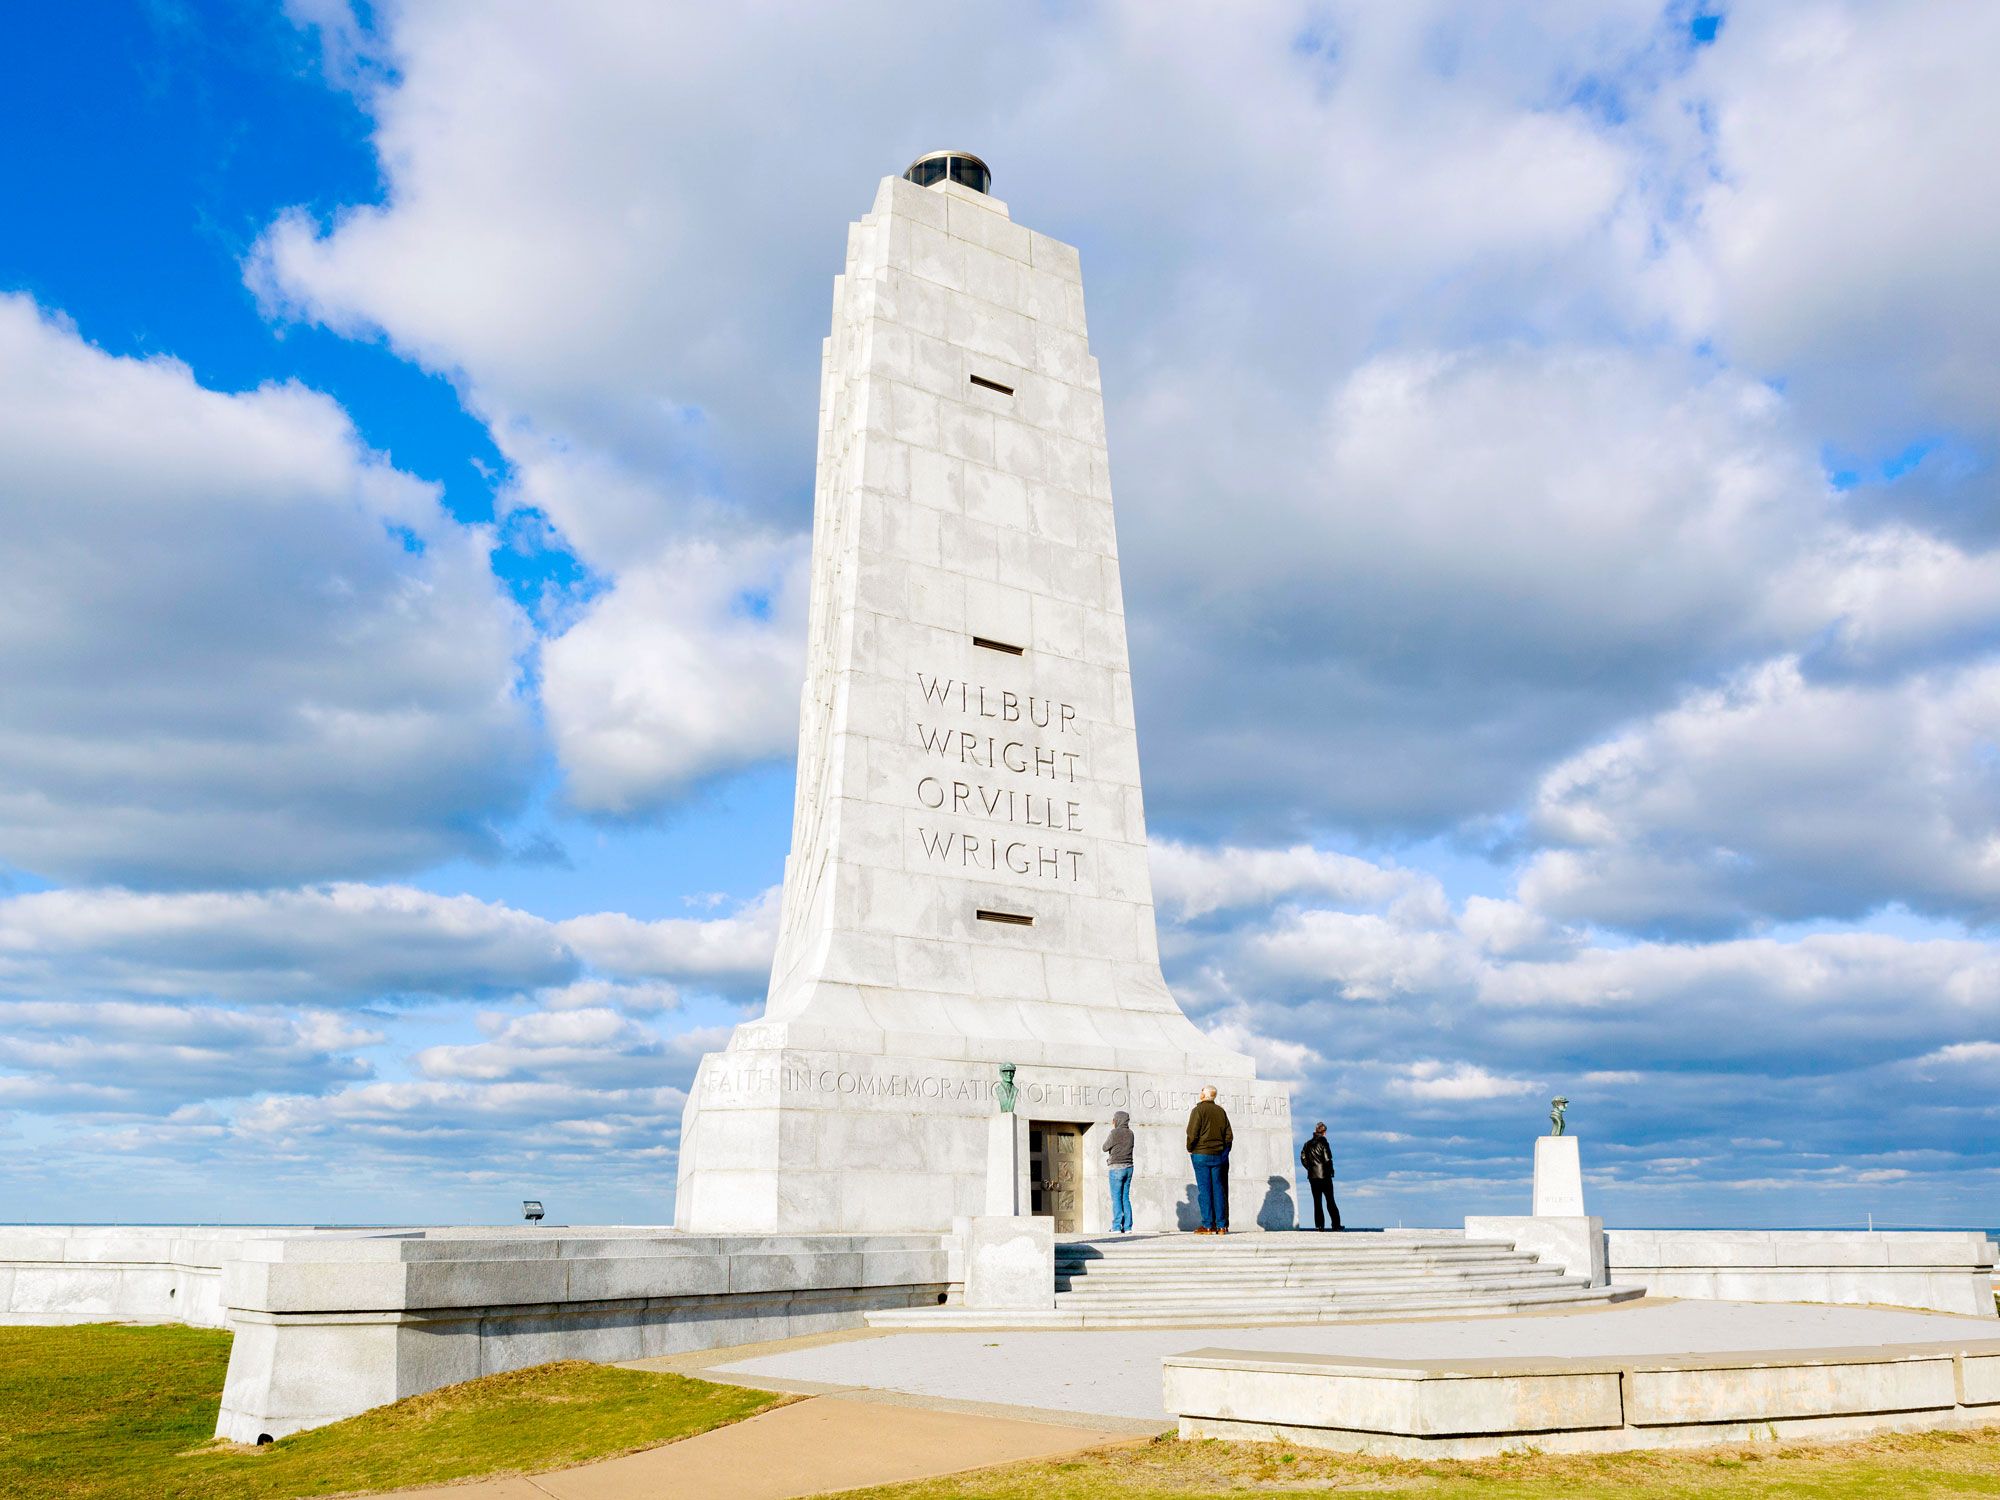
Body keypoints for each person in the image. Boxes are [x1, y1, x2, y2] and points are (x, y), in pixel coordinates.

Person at [1185, 1086, 1233, 1234]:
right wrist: (1223, 1152)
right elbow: (1228, 1136)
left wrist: (1190, 1147)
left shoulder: (1198, 1110)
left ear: (1203, 1095)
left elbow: (1192, 1133)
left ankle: (1207, 1225)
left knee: (1205, 1191)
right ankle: (1221, 1226)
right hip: (1218, 1155)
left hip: (1201, 1154)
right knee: (1218, 1190)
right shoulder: (1221, 1111)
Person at [1301, 1122, 1341, 1231]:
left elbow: (1303, 1158)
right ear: (1324, 1132)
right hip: (1324, 1176)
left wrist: (1310, 1168)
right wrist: (1331, 1171)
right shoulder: (1324, 1142)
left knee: (1317, 1202)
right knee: (1330, 1201)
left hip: (1313, 1177)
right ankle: (1336, 1225)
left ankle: (1319, 1226)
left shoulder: (1307, 1144)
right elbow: (1328, 1159)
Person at [1102, 1109, 1135, 1233]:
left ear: (1117, 1120)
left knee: (1116, 1198)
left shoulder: (1114, 1133)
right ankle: (1127, 1227)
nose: (1113, 1121)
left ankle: (1116, 1226)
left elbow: (1104, 1147)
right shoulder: (1131, 1133)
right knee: (1125, 1197)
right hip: (1129, 1168)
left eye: (1114, 1119)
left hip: (1116, 1168)